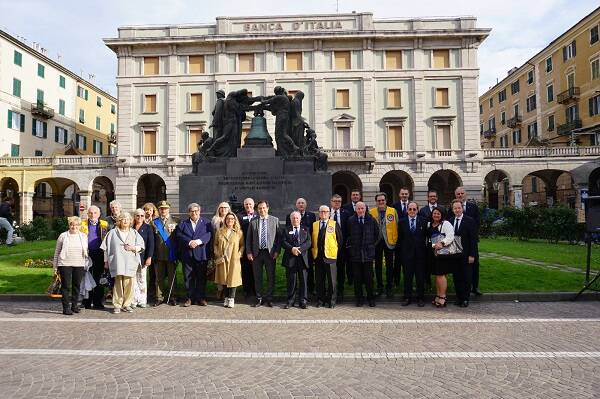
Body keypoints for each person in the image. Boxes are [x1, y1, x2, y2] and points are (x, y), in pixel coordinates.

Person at [101, 212, 145, 314]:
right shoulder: (112, 233)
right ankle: (117, 304)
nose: (125, 221)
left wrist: (133, 248)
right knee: (118, 283)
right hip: (117, 262)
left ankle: (127, 304)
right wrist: (105, 261)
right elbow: (105, 249)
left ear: (130, 221)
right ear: (119, 221)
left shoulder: (134, 232)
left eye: (127, 219)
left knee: (129, 283)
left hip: (130, 262)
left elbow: (141, 246)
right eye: (123, 219)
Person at [176, 203, 212, 307]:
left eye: (196, 211)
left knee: (201, 277)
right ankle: (189, 298)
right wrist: (189, 242)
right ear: (189, 212)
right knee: (188, 277)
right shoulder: (183, 223)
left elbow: (209, 234)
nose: (194, 213)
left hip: (201, 254)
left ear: (199, 212)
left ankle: (201, 298)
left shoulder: (206, 223)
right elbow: (179, 236)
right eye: (192, 211)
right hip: (188, 255)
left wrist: (199, 241)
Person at [246, 200, 281, 307]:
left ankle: (269, 298)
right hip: (257, 253)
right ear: (257, 210)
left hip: (270, 253)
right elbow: (249, 239)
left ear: (267, 208)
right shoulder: (253, 221)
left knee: (271, 276)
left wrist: (277, 251)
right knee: (257, 277)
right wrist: (249, 252)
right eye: (260, 208)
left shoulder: (275, 220)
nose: (262, 210)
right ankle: (259, 298)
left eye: (263, 208)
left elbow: (279, 238)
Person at [52, 216, 88, 315]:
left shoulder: (84, 236)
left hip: (79, 263)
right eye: (72, 225)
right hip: (65, 264)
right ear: (69, 225)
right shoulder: (63, 236)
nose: (74, 227)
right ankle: (66, 308)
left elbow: (86, 251)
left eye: (76, 225)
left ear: (80, 226)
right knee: (66, 286)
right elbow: (57, 252)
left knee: (77, 285)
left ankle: (75, 306)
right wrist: (55, 267)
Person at [346, 202, 379, 307]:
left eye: (362, 208)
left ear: (366, 209)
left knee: (369, 278)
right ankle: (359, 298)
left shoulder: (371, 220)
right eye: (358, 208)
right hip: (355, 254)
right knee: (357, 278)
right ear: (355, 209)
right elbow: (348, 235)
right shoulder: (351, 220)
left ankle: (370, 298)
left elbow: (377, 234)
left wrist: (371, 245)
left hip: (368, 254)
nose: (360, 210)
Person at [448, 199, 477, 308]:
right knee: (457, 277)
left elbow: (473, 240)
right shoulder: (450, 221)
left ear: (462, 208)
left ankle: (465, 298)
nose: (457, 210)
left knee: (466, 277)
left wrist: (472, 255)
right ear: (453, 210)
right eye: (455, 208)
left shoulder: (470, 221)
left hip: (466, 254)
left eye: (459, 208)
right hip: (454, 254)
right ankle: (459, 297)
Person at [397, 202, 428, 307]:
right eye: (410, 209)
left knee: (420, 277)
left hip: (420, 255)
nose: (412, 211)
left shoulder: (424, 221)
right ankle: (407, 297)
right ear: (407, 210)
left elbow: (426, 237)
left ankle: (420, 298)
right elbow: (400, 239)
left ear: (418, 210)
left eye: (414, 209)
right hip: (407, 255)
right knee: (407, 278)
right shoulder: (401, 222)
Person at [312, 205, 343, 308]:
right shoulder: (314, 225)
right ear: (319, 213)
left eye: (326, 212)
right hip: (318, 257)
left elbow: (340, 240)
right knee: (319, 281)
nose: (323, 213)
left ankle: (331, 301)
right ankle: (320, 300)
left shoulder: (334, 224)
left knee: (332, 281)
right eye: (321, 212)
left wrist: (336, 253)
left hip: (330, 257)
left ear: (329, 213)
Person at [285, 198, 317, 296]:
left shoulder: (311, 215)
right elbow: (287, 233)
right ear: (296, 205)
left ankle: (310, 290)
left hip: (306, 249)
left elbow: (312, 231)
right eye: (299, 203)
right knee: (292, 276)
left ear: (306, 205)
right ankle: (294, 294)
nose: (301, 204)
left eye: (303, 203)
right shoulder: (289, 216)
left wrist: (303, 247)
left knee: (308, 270)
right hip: (292, 249)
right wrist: (292, 248)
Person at [369, 192, 399, 298]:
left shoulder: (392, 211)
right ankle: (379, 287)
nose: (381, 202)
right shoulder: (371, 212)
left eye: (383, 200)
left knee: (390, 265)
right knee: (377, 265)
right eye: (379, 200)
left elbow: (397, 225)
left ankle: (389, 287)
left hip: (389, 242)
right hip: (376, 242)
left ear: (386, 201)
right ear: (376, 202)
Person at [455, 186, 482, 296]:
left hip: (472, 241)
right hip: (458, 243)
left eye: (462, 193)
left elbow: (478, 222)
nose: (460, 195)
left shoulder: (473, 207)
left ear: (465, 194)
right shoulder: (453, 208)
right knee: (460, 266)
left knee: (474, 264)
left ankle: (475, 287)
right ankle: (463, 287)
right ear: (455, 195)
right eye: (458, 194)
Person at [80, 206, 109, 309]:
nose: (93, 215)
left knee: (98, 278)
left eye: (95, 213)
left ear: (99, 214)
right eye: (90, 213)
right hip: (87, 254)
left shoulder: (104, 224)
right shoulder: (82, 224)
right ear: (88, 214)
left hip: (100, 254)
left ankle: (98, 302)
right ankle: (86, 301)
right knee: (86, 277)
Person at [213, 212, 244, 308]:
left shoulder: (239, 232)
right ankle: (226, 297)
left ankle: (231, 298)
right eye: (228, 218)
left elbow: (242, 245)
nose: (230, 220)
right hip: (223, 259)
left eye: (232, 219)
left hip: (234, 259)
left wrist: (239, 254)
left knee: (233, 279)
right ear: (225, 220)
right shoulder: (220, 231)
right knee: (224, 279)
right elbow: (215, 244)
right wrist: (218, 253)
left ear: (235, 220)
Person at [427, 207, 456, 308]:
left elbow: (451, 236)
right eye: (434, 213)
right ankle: (438, 295)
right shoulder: (429, 224)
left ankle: (443, 297)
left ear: (442, 215)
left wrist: (442, 243)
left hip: (442, 253)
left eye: (438, 214)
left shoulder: (446, 224)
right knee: (437, 275)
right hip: (432, 253)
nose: (436, 215)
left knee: (441, 275)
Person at [282, 211, 311, 309]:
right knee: (291, 281)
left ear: (300, 219)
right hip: (290, 259)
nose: (295, 219)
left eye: (297, 218)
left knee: (303, 281)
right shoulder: (286, 230)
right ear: (290, 219)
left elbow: (309, 242)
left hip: (303, 259)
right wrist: (292, 249)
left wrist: (300, 249)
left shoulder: (306, 229)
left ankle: (303, 301)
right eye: (293, 218)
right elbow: (283, 242)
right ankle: (290, 301)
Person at [152, 200, 178, 306]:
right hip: (158, 254)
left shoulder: (176, 221)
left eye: (165, 208)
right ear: (158, 210)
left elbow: (177, 239)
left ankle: (173, 296)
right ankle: (159, 297)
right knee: (159, 278)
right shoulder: (154, 222)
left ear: (169, 209)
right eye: (161, 209)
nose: (163, 210)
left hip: (171, 254)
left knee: (172, 277)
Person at [132, 209, 155, 308]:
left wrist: (149, 257)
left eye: (142, 216)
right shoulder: (130, 227)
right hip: (131, 258)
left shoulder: (148, 228)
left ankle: (142, 300)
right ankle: (134, 300)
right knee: (133, 280)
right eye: (138, 215)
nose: (140, 217)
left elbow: (151, 244)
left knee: (142, 279)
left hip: (143, 257)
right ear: (134, 216)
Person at [329, 194, 350, 302]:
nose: (337, 203)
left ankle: (340, 291)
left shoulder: (346, 213)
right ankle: (331, 291)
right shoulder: (326, 213)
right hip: (329, 247)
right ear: (331, 202)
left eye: (339, 201)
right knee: (330, 270)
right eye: (335, 201)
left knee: (341, 270)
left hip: (342, 247)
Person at [236, 197, 257, 298]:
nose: (248, 206)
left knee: (255, 269)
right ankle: (247, 290)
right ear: (244, 206)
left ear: (253, 205)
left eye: (250, 204)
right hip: (244, 246)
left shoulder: (258, 215)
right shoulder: (239, 216)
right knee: (245, 269)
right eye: (246, 204)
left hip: (256, 247)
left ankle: (256, 289)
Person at [392, 187, 411, 287]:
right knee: (397, 262)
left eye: (406, 194)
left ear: (409, 194)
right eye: (402, 194)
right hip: (398, 238)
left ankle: (408, 281)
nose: (404, 195)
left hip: (409, 239)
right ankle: (397, 282)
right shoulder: (394, 206)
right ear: (399, 195)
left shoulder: (412, 206)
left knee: (408, 262)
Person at [142, 202, 159, 304]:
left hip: (154, 250)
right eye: (146, 209)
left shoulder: (156, 221)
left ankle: (153, 292)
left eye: (150, 210)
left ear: (153, 211)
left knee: (154, 273)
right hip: (143, 250)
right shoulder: (140, 220)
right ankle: (143, 292)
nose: (148, 211)